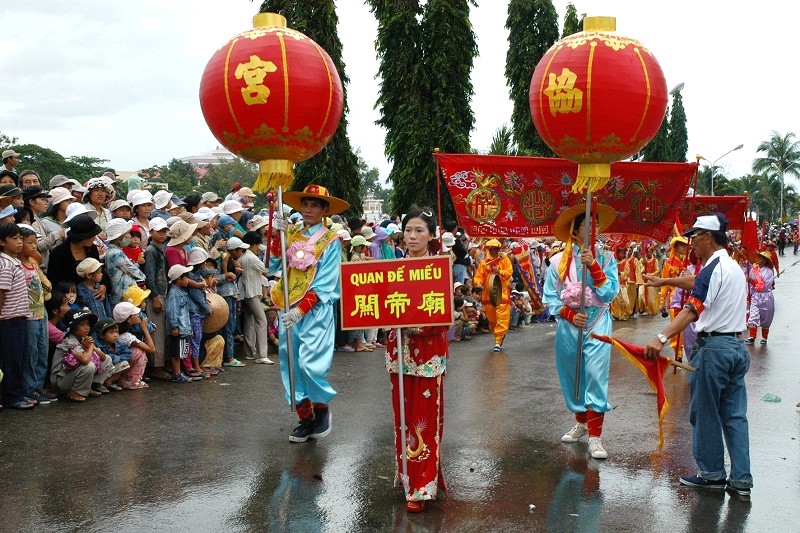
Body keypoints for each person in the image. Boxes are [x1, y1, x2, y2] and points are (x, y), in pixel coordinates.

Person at [644, 212, 752, 498]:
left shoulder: (714, 269)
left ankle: (712, 474)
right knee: (735, 416)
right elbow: (697, 281)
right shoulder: (730, 267)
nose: (690, 244)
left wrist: (661, 337)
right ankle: (741, 479)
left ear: (707, 237)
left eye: (694, 237)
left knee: (705, 413)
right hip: (737, 348)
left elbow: (692, 310)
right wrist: (665, 280)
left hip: (714, 351)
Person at [270, 184, 349, 442]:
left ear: (325, 210)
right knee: (290, 363)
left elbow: (326, 282)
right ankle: (305, 418)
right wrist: (276, 236)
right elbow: (273, 264)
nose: (308, 209)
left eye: (314, 205)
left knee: (309, 364)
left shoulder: (330, 241)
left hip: (315, 311)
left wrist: (302, 310)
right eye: (305, 204)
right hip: (288, 306)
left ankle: (322, 409)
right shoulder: (291, 233)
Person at [384, 207, 449, 513]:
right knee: (402, 419)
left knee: (423, 422)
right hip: (398, 353)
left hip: (427, 355)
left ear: (431, 235)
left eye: (419, 230)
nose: (412, 236)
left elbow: (443, 318)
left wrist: (411, 324)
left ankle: (422, 487)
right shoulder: (393, 268)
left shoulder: (440, 268)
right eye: (408, 230)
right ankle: (407, 476)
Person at [542, 203, 618, 460]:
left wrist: (594, 267)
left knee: (595, 375)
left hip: (597, 322)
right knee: (572, 374)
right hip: (570, 325)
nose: (594, 229)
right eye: (588, 225)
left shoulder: (607, 258)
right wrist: (570, 315)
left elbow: (610, 292)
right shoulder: (557, 262)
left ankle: (595, 437)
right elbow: (550, 297)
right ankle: (581, 423)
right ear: (575, 232)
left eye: (596, 225)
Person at [0, 222, 36, 410]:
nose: (19, 242)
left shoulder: (14, 262)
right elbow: (1, 293)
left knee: (18, 357)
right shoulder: (5, 264)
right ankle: (12, 396)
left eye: (20, 238)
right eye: (14, 239)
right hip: (9, 319)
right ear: (2, 242)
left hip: (19, 317)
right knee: (11, 359)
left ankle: (17, 393)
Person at [50, 308, 114, 402]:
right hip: (61, 379)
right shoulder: (70, 341)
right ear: (73, 327)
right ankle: (74, 391)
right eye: (82, 324)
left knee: (107, 359)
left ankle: (89, 387)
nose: (87, 327)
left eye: (88, 324)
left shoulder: (82, 338)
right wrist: (90, 346)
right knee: (89, 366)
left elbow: (104, 357)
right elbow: (85, 360)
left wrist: (90, 347)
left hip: (71, 375)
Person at [239, 231, 273, 364]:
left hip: (248, 291)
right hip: (253, 292)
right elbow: (266, 269)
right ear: (255, 244)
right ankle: (262, 354)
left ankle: (250, 352)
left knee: (250, 321)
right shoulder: (252, 258)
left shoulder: (243, 257)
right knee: (261, 321)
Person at [473, 238, 513, 352]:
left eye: (496, 249)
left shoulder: (504, 260)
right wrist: (478, 283)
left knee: (501, 318)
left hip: (502, 294)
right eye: (492, 249)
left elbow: (509, 272)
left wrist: (499, 272)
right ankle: (498, 334)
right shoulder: (484, 262)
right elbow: (478, 276)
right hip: (488, 295)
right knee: (492, 320)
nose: (494, 251)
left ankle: (498, 341)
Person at [165, 264, 195, 383]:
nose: (187, 280)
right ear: (178, 279)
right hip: (179, 328)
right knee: (176, 351)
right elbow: (172, 311)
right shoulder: (174, 294)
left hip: (184, 328)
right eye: (186, 277)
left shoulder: (181, 292)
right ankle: (176, 373)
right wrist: (174, 326)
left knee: (181, 350)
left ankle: (178, 372)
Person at [744, 250, 775, 345]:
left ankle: (764, 337)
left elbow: (764, 286)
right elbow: (750, 286)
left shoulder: (769, 272)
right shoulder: (753, 270)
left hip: (766, 296)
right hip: (755, 295)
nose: (757, 259)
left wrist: (752, 281)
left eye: (760, 257)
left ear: (765, 260)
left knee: (766, 316)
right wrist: (749, 295)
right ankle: (752, 337)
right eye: (757, 257)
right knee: (753, 314)